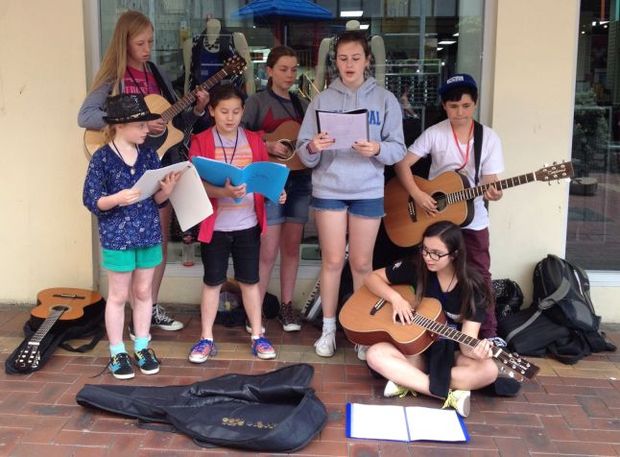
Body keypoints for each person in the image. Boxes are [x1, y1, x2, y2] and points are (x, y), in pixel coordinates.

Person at [78, 10, 210, 334]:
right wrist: (132, 121)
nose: (148, 48)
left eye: (150, 41)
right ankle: (126, 309)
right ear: (125, 43)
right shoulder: (114, 77)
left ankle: (150, 305)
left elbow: (176, 127)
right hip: (122, 168)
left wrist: (196, 109)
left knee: (158, 238)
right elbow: (86, 116)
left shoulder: (156, 73)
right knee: (124, 243)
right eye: (141, 42)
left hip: (156, 162)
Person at [297, 30, 406, 358]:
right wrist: (314, 146)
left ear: (367, 61)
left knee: (361, 264)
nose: (349, 64)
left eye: (355, 58)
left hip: (367, 189)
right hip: (329, 187)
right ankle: (329, 328)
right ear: (336, 62)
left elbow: (398, 149)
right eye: (343, 58)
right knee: (332, 261)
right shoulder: (322, 100)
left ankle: (361, 331)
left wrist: (377, 148)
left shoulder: (385, 100)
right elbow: (303, 151)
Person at [394, 73, 504, 338]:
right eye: (453, 106)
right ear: (444, 106)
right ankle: (432, 327)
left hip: (473, 217)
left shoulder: (488, 138)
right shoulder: (435, 133)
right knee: (428, 269)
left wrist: (493, 193)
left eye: (466, 106)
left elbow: (491, 181)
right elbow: (402, 164)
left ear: (475, 104)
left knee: (479, 273)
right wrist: (417, 194)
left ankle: (488, 335)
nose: (460, 112)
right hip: (436, 218)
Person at [83, 93, 180, 379]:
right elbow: (92, 199)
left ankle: (142, 345)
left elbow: (156, 198)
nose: (146, 130)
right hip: (117, 236)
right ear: (120, 125)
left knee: (143, 292)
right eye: (140, 125)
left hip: (149, 233)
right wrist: (117, 198)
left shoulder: (149, 154)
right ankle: (117, 352)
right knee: (117, 295)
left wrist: (168, 191)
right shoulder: (102, 157)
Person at [188, 85, 286, 363]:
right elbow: (193, 184)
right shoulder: (201, 140)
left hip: (248, 223)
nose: (230, 118)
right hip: (215, 225)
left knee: (250, 281)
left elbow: (266, 178)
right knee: (212, 282)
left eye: (235, 111)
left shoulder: (255, 140)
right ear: (211, 111)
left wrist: (278, 192)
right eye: (223, 112)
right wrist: (223, 193)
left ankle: (258, 335)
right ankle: (206, 337)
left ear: (243, 111)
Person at [365, 221, 499, 417]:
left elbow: (466, 343)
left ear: (454, 254)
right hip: (416, 350)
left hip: (451, 354)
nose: (428, 257)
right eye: (425, 250)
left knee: (489, 370)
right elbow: (371, 278)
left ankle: (409, 381)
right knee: (375, 354)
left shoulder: (473, 287)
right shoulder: (416, 266)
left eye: (436, 253)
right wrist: (396, 299)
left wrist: (476, 352)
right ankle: (446, 394)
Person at [241, 46, 310, 332]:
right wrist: (267, 144)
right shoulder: (257, 101)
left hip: (300, 179)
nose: (290, 74)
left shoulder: (301, 103)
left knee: (292, 248)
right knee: (268, 251)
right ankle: (253, 311)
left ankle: (286, 307)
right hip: (271, 179)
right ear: (269, 71)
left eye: (294, 69)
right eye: (283, 69)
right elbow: (240, 135)